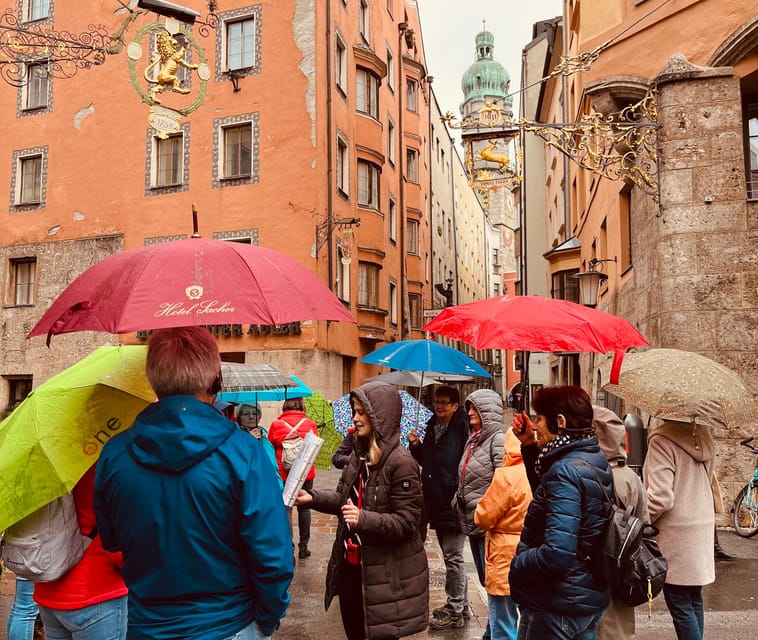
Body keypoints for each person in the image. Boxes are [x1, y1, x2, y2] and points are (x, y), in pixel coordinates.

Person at [94, 326, 292, 640]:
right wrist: (267, 619)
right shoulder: (245, 452)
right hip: (228, 623)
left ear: (152, 380)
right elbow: (272, 556)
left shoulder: (115, 454)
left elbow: (112, 540)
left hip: (148, 625)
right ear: (216, 381)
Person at [295, 381, 429, 640]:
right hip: (352, 571)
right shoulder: (359, 455)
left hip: (384, 578)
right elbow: (342, 500)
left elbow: (407, 523)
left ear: (380, 415)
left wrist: (363, 518)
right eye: (354, 411)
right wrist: (310, 497)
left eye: (361, 412)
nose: (355, 418)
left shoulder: (402, 463)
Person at [509, 385, 613, 640]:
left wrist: (518, 562)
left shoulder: (564, 470)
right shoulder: (592, 458)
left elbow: (557, 553)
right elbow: (549, 499)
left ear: (560, 422)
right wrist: (529, 445)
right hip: (585, 599)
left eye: (539, 418)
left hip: (557, 605)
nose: (534, 425)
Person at [34, 464, 128, 640]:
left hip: (49, 586)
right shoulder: (104, 462)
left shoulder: (45, 461)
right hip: (97, 590)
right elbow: (117, 539)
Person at [644, 419, 715, 640]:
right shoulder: (703, 435)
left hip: (676, 530)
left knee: (679, 599)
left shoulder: (662, 439)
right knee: (693, 596)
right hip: (701, 523)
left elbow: (659, 498)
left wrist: (642, 520)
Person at [408, 384, 471, 629]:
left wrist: (457, 491)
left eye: (445, 402)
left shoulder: (462, 429)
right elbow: (427, 460)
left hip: (453, 500)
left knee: (454, 557)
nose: (440, 406)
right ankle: (461, 604)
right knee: (450, 556)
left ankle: (455, 608)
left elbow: (466, 463)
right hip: (436, 500)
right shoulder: (431, 427)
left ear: (456, 405)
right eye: (437, 402)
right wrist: (416, 446)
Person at [592, 406, 648, 640]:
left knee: (605, 627)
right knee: (621, 628)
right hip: (626, 565)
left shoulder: (600, 475)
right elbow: (644, 519)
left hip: (603, 563)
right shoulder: (631, 476)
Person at [455, 388, 505, 640]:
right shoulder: (473, 438)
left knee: (493, 581)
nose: (470, 413)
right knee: (487, 582)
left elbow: (501, 480)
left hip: (488, 522)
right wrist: (458, 497)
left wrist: (482, 506)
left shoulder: (498, 439)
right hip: (472, 520)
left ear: (489, 412)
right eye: (469, 408)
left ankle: (493, 632)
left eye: (475, 408)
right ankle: (491, 630)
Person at [474, 428, 532, 640]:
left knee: (503, 620)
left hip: (503, 556)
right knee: (528, 618)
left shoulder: (506, 476)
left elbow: (484, 517)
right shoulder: (538, 471)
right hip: (530, 554)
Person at [268, 397, 319, 559]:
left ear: (285, 407)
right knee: (305, 508)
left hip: (284, 472)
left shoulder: (276, 425)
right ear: (301, 406)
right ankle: (304, 547)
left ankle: (288, 548)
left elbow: (270, 444)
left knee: (286, 508)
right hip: (305, 472)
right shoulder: (310, 424)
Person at [236, 402, 282, 490]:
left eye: (255, 413)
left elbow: (273, 466)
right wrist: (249, 441)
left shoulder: (264, 437)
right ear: (239, 417)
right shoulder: (234, 437)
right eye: (246, 414)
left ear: (260, 417)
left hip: (267, 488)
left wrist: (279, 487)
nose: (251, 417)